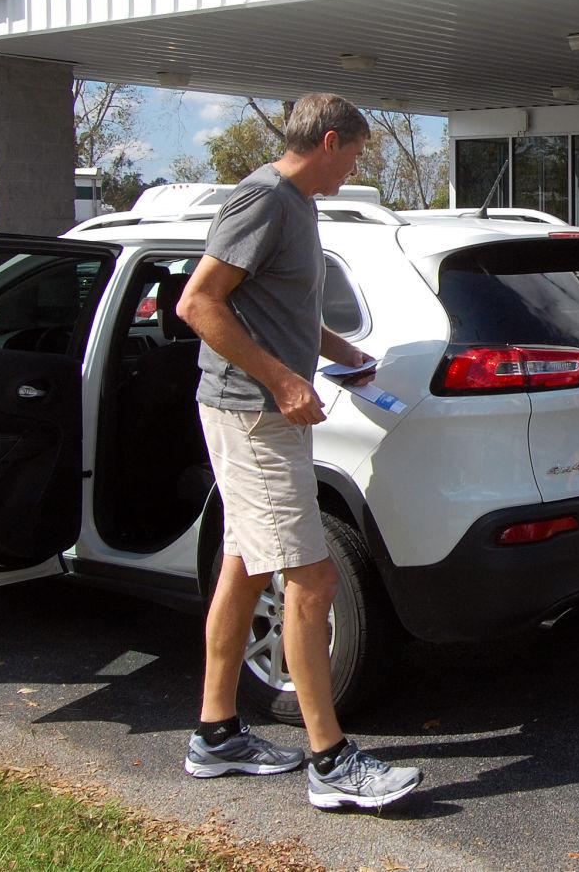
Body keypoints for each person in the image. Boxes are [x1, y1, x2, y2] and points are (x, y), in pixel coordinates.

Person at [176, 93, 423, 811]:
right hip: (252, 416)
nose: (355, 166)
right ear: (329, 141)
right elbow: (200, 303)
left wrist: (345, 353)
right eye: (355, 153)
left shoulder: (301, 205)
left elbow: (283, 307)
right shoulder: (263, 200)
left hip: (263, 412)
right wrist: (283, 380)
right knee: (312, 580)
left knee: (244, 569)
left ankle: (216, 734)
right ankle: (330, 760)